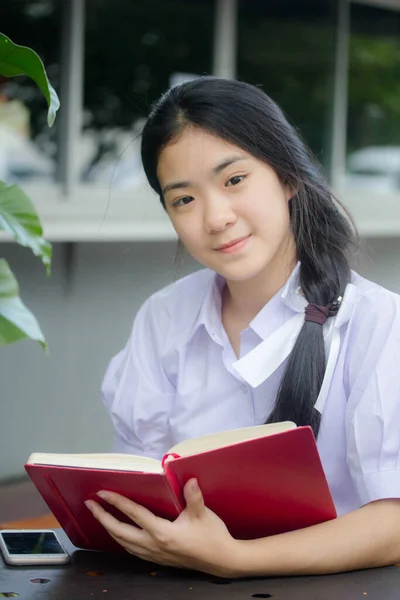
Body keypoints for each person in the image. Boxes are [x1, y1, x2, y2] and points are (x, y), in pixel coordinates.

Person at [84, 76, 400, 578]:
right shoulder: (164, 317)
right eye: (183, 200)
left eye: (234, 180)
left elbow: (393, 522)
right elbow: (141, 483)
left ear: (287, 175)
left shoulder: (378, 323)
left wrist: (237, 560)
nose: (215, 218)